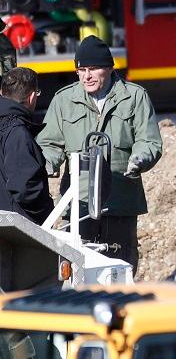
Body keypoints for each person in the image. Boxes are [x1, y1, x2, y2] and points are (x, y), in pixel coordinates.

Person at [38, 36, 163, 270]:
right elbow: (50, 143)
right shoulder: (64, 100)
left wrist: (140, 158)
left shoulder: (134, 97)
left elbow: (149, 141)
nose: (86, 76)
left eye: (93, 69)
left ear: (108, 68)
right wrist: (46, 164)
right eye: (81, 70)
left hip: (119, 200)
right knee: (75, 270)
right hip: (78, 204)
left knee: (119, 269)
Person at [0, 67, 54, 224]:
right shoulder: (17, 132)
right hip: (16, 230)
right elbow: (25, 189)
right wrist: (45, 211)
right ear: (31, 97)